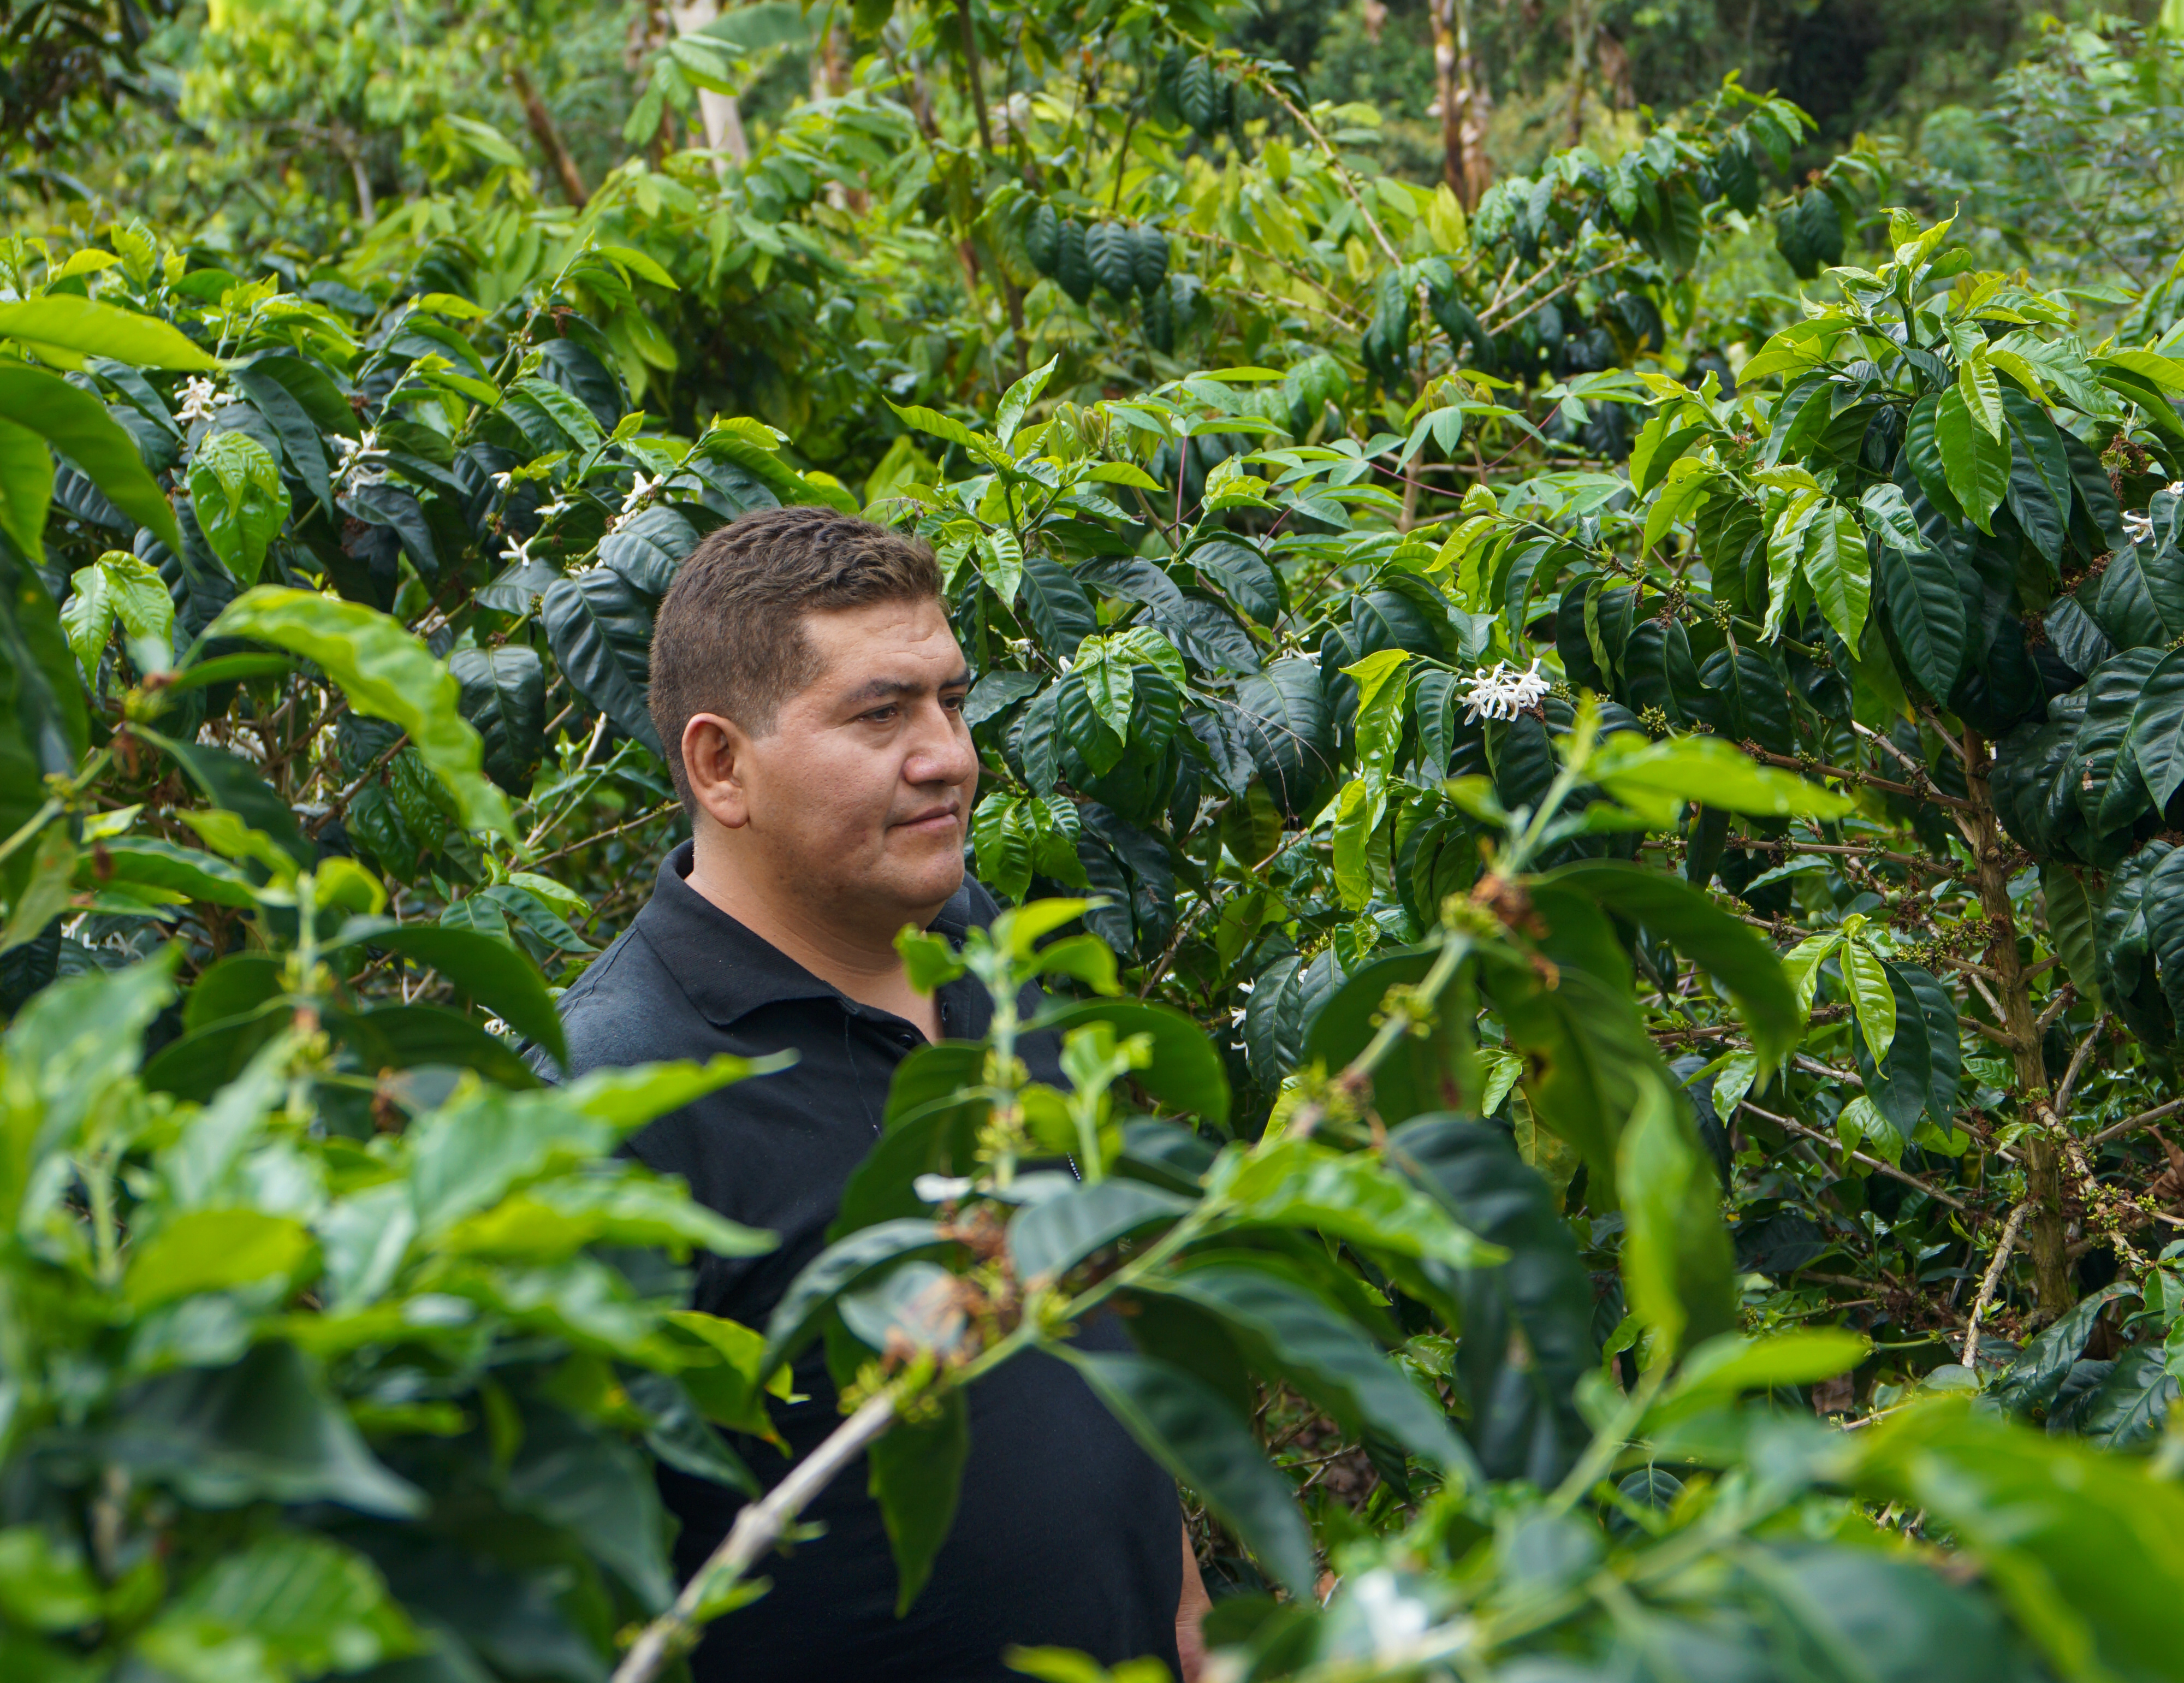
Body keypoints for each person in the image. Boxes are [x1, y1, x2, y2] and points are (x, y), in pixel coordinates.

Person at [553, 505, 1212, 1683]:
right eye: (878, 712)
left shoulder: (993, 957)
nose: (949, 753)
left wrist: (1181, 1591)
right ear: (721, 766)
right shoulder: (614, 1097)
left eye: (949, 699)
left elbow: (1084, 1296)